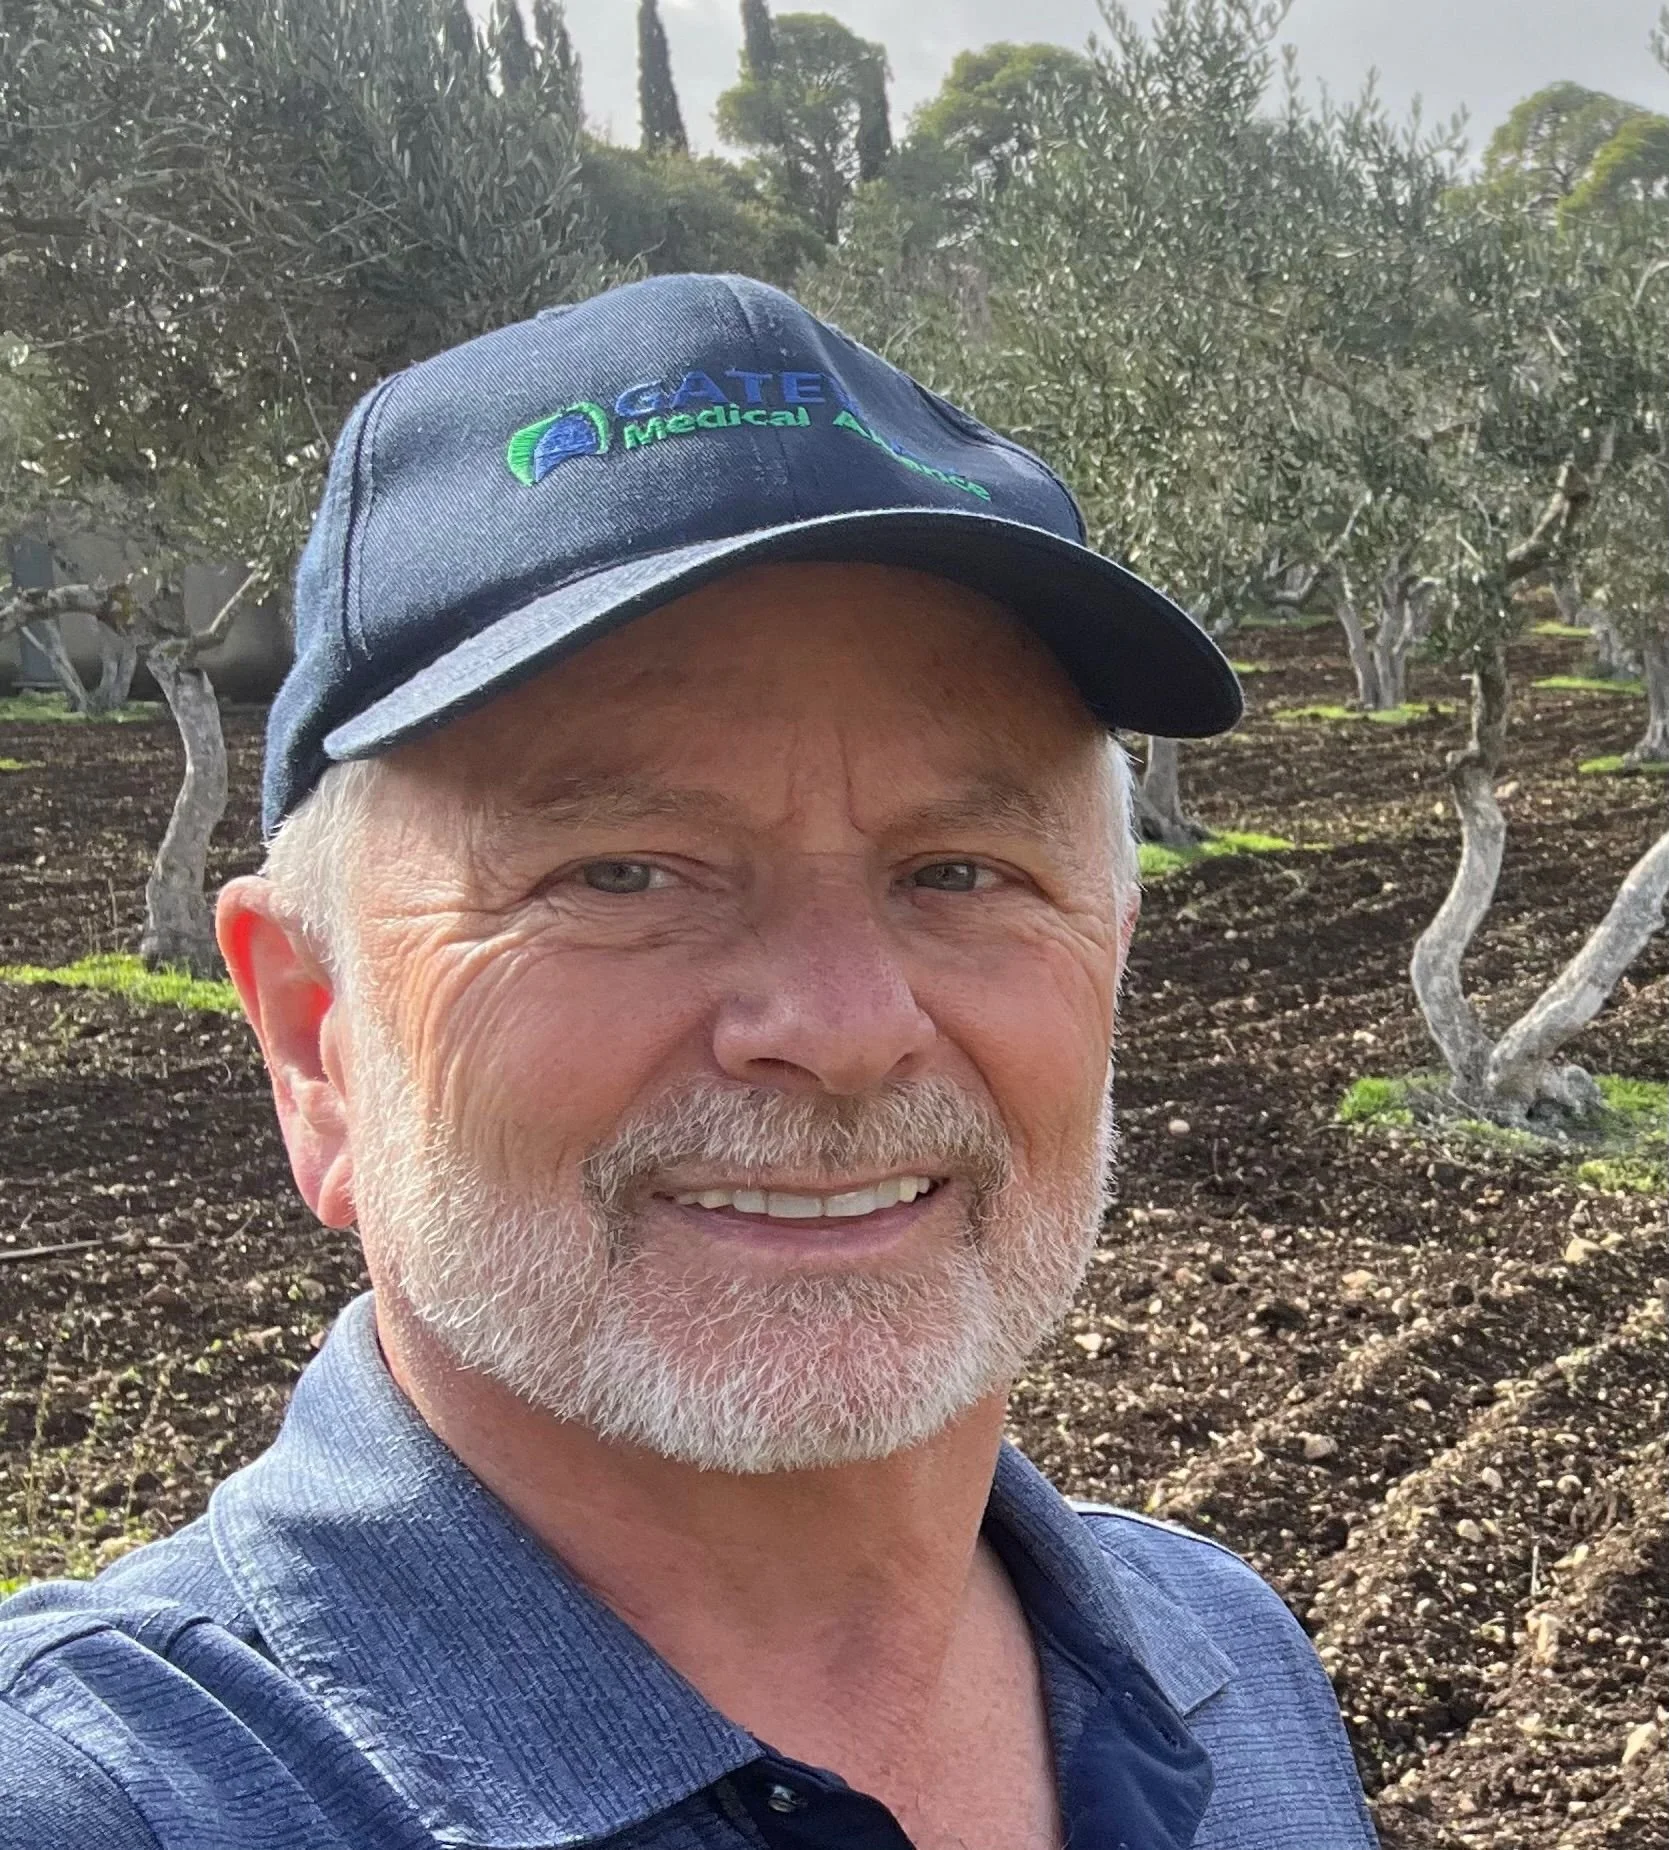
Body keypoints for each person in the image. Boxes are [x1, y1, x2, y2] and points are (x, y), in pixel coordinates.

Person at [0, 275, 1376, 1850]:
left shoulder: (1233, 1665)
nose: (847, 1027)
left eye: (962, 871)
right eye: (624, 873)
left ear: (1112, 955)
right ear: (319, 1041)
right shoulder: (98, 1805)